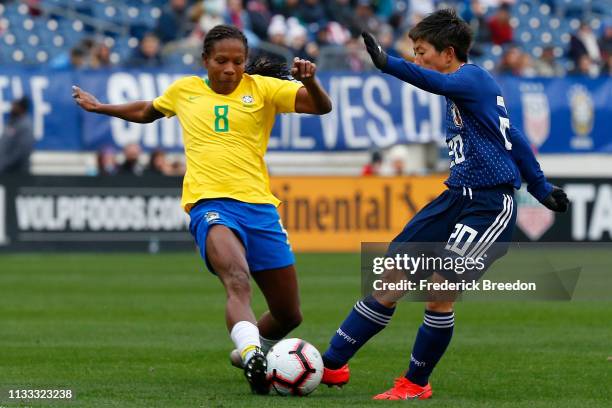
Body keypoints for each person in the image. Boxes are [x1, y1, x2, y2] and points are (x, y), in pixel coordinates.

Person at [319, 9, 569, 400]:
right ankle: (330, 365)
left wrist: (388, 63)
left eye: (421, 52)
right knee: (391, 278)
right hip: (454, 198)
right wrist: (540, 185)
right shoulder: (467, 89)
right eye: (413, 54)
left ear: (448, 53)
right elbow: (513, 136)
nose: (417, 60)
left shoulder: (470, 78)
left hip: (489, 206)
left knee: (439, 289)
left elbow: (430, 82)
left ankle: (415, 384)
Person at [72, 24, 331, 394]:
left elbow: (322, 107)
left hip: (260, 208)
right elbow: (148, 110)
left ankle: (245, 351)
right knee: (237, 281)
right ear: (206, 60)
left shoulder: (264, 89)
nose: (230, 69)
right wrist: (101, 107)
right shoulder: (186, 90)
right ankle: (255, 355)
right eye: (222, 61)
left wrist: (311, 83)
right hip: (210, 205)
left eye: (238, 62)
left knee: (289, 314)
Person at [0, 97, 35, 175]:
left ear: (21, 108)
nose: (11, 108)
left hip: (17, 174)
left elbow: (22, 151)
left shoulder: (25, 126)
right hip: (6, 173)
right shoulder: (12, 123)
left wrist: (5, 164)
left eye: (14, 106)